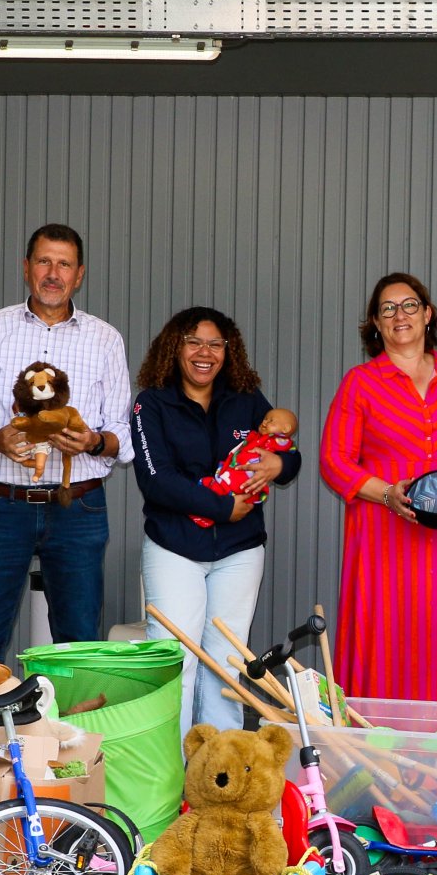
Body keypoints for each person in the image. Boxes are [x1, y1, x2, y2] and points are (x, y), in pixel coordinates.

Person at [0, 223, 132, 687]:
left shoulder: (105, 339)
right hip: (0, 505)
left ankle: (74, 753)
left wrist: (91, 442)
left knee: (79, 641)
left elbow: (121, 431)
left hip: (78, 504)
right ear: (26, 268)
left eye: (64, 264)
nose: (53, 273)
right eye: (44, 261)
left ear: (79, 275)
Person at [321, 273, 437, 703]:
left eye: (410, 305)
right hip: (381, 535)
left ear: (428, 314)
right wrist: (386, 494)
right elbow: (333, 460)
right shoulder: (361, 382)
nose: (400, 315)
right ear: (376, 325)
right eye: (388, 309)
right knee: (385, 636)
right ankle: (378, 748)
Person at [132, 308, 302, 733]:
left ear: (228, 351)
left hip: (240, 551)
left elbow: (286, 448)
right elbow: (157, 481)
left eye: (215, 344)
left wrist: (279, 466)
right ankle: (169, 774)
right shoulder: (150, 402)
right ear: (175, 348)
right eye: (193, 342)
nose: (204, 353)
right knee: (176, 660)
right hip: (175, 548)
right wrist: (222, 508)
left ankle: (219, 773)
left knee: (228, 663)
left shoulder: (245, 397)